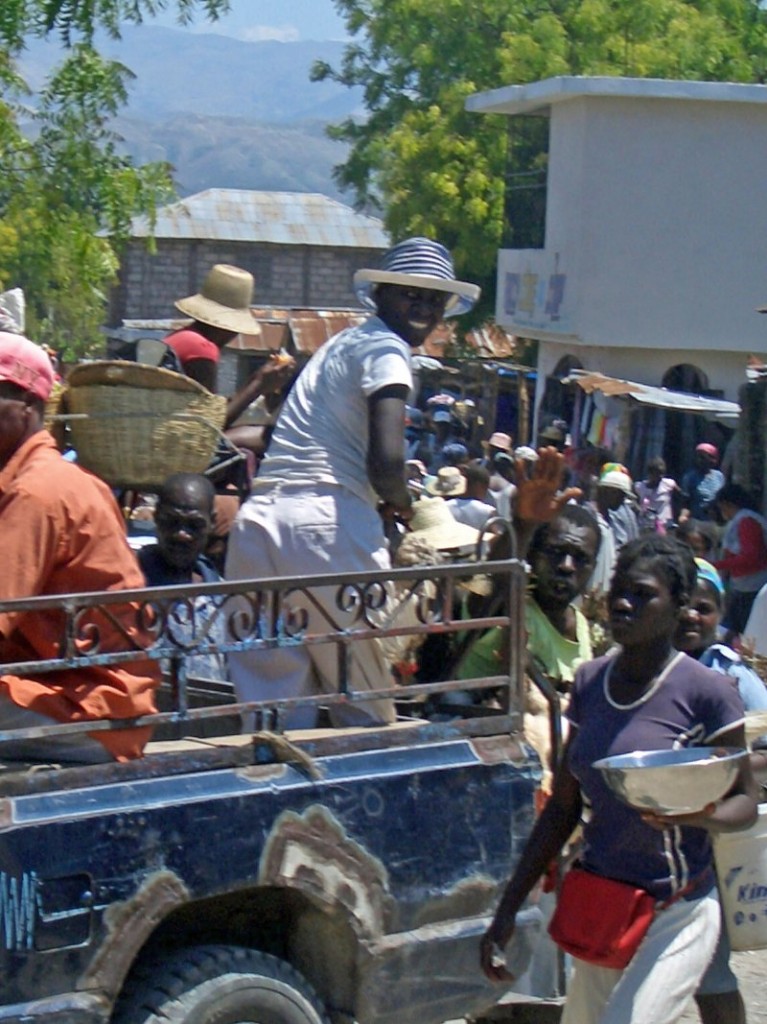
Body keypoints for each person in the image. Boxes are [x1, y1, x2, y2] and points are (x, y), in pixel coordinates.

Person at [480, 534, 757, 1024]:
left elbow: (744, 804)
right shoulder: (590, 683)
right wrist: (506, 912)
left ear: (678, 608)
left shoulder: (709, 694)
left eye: (644, 594)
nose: (624, 604)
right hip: (605, 907)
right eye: (619, 591)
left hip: (677, 910)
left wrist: (699, 815)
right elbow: (564, 808)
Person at [225, 237, 479, 729]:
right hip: (324, 523)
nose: (424, 306)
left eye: (434, 298)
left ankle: (271, 784)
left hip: (259, 522)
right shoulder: (386, 348)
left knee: (273, 701)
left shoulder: (340, 344)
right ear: (381, 294)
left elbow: (291, 435)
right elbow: (387, 462)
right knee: (361, 692)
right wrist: (404, 504)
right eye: (411, 293)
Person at [0, 333, 158, 762]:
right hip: (88, 696)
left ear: (28, 408)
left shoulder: (37, 493)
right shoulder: (45, 479)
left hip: (89, 709)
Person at [675, 559, 767, 1024]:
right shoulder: (640, 669)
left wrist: (719, 770)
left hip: (714, 845)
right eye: (683, 605)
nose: (691, 615)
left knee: (713, 977)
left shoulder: (733, 677)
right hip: (650, 846)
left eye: (703, 607)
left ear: (720, 614)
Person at [166, 263, 296, 432]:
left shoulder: (181, 337)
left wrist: (257, 380)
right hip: (180, 440)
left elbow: (209, 411)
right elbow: (207, 427)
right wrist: (258, 385)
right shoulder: (201, 348)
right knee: (270, 436)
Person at [138, 473, 227, 683]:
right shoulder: (128, 587)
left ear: (212, 524)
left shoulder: (223, 596)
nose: (182, 534)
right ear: (157, 517)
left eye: (194, 525)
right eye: (172, 522)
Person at [713, 482, 767, 641]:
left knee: (747, 636)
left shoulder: (746, 521)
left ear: (727, 504)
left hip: (751, 589)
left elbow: (751, 557)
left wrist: (717, 566)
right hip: (743, 587)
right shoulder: (745, 519)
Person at [679, 443, 725, 523]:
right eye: (697, 457)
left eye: (703, 457)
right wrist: (683, 516)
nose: (699, 460)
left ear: (712, 459)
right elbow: (686, 503)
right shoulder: (690, 477)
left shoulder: (719, 476)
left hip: (716, 522)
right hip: (697, 522)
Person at [635, 455, 679, 533]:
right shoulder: (639, 487)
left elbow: (681, 498)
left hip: (664, 526)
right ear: (650, 473)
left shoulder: (669, 484)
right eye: (657, 473)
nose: (660, 476)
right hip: (645, 526)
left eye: (662, 473)